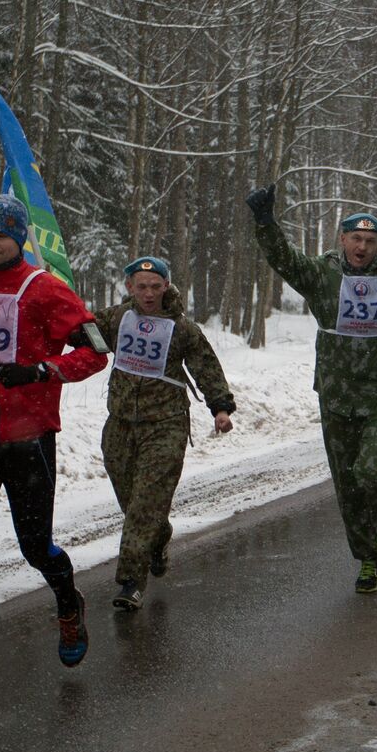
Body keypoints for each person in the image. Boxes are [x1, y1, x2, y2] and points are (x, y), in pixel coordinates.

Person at [0, 194, 109, 713]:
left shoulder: (46, 290)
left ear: (18, 238)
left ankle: (67, 600)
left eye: (0, 236)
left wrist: (42, 371)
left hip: (28, 441)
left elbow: (94, 352)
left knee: (35, 547)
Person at [246, 184, 377, 593]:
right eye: (356, 239)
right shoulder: (323, 273)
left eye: (370, 240)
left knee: (375, 468)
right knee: (347, 483)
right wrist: (265, 222)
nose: (362, 247)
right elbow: (282, 259)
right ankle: (365, 558)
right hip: (337, 394)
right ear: (342, 240)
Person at [93, 256, 236, 612]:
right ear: (129, 287)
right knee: (133, 502)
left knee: (144, 505)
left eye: (155, 286)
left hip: (166, 425)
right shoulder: (116, 319)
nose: (148, 294)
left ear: (166, 286)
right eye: (141, 286)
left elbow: (206, 366)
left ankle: (130, 582)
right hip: (120, 425)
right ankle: (158, 536)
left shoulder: (182, 328)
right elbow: (82, 333)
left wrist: (220, 408)